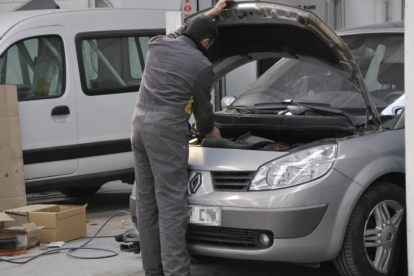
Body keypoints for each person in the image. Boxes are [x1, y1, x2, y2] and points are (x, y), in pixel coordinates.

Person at [131, 1, 234, 275]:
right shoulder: (201, 65)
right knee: (171, 206)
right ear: (205, 42)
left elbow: (184, 30)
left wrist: (210, 14)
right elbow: (203, 114)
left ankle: (153, 271)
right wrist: (212, 133)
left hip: (138, 125)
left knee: (147, 202)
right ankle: (177, 272)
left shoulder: (158, 43)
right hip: (165, 130)